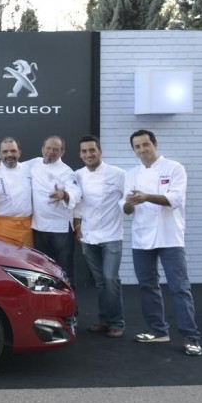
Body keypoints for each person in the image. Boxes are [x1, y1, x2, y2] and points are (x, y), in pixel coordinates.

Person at [123, 129, 201, 356]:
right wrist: (129, 204)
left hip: (170, 237)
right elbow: (126, 208)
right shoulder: (132, 174)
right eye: (137, 147)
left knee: (179, 288)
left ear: (155, 144)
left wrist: (146, 197)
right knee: (148, 286)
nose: (142, 150)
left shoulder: (175, 168)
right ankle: (158, 331)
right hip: (142, 237)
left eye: (145, 145)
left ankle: (191, 337)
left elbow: (175, 199)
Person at [73, 135, 125, 338]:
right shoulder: (78, 175)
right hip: (88, 236)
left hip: (111, 236)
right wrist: (77, 224)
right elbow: (77, 203)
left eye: (92, 150)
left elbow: (127, 198)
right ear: (80, 154)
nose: (88, 154)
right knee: (101, 282)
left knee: (111, 279)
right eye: (84, 151)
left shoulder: (118, 174)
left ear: (100, 151)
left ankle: (117, 322)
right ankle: (104, 320)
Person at [28, 136, 80, 287]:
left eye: (55, 149)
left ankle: (70, 307)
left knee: (64, 272)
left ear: (62, 152)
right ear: (42, 149)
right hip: (39, 228)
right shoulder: (34, 163)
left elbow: (76, 192)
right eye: (48, 148)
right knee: (40, 271)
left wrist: (64, 195)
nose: (51, 152)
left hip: (60, 231)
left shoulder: (66, 171)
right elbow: (15, 168)